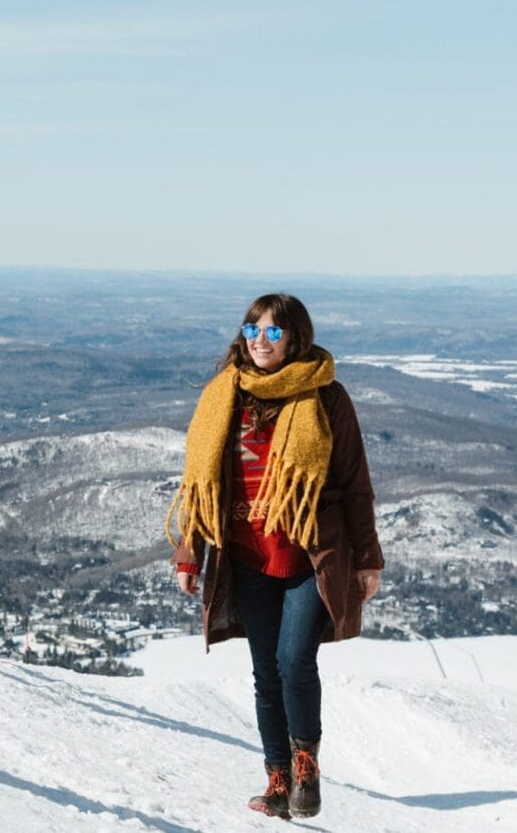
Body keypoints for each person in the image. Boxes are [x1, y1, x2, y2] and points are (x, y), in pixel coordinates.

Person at [166, 293, 383, 820]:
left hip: (310, 554)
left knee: (293, 659)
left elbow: (355, 483)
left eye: (272, 332)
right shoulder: (224, 396)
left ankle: (306, 762)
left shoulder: (327, 398)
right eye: (252, 329)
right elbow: (202, 486)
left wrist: (367, 557)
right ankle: (278, 781)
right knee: (266, 672)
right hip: (246, 554)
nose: (259, 341)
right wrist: (190, 553)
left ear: (295, 339)